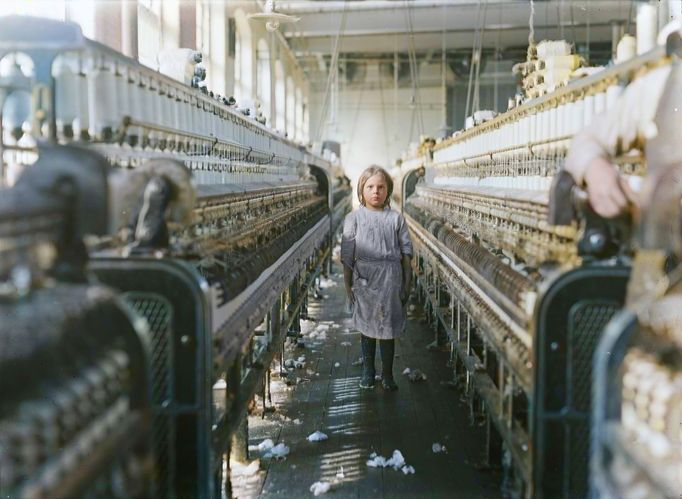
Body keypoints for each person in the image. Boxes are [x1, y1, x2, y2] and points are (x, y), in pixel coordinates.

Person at [340, 166, 413, 390]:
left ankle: (388, 375)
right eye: (370, 187)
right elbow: (347, 257)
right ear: (361, 190)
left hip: (391, 278)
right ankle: (368, 372)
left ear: (388, 190)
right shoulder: (353, 219)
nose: (376, 192)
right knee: (368, 327)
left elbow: (406, 254)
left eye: (381, 187)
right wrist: (348, 286)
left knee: (388, 329)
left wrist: (407, 284)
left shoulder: (395, 218)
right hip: (365, 279)